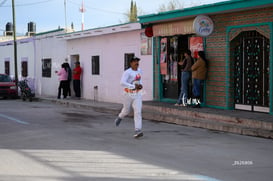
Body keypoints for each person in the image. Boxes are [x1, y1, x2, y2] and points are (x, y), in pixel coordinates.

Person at [114, 56, 144, 138]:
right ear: (131, 63)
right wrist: (132, 86)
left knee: (138, 111)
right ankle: (120, 117)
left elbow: (140, 80)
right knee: (126, 110)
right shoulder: (127, 72)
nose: (136, 63)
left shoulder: (140, 71)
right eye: (134, 61)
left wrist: (140, 85)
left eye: (137, 61)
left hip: (137, 94)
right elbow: (122, 82)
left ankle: (138, 130)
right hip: (127, 94)